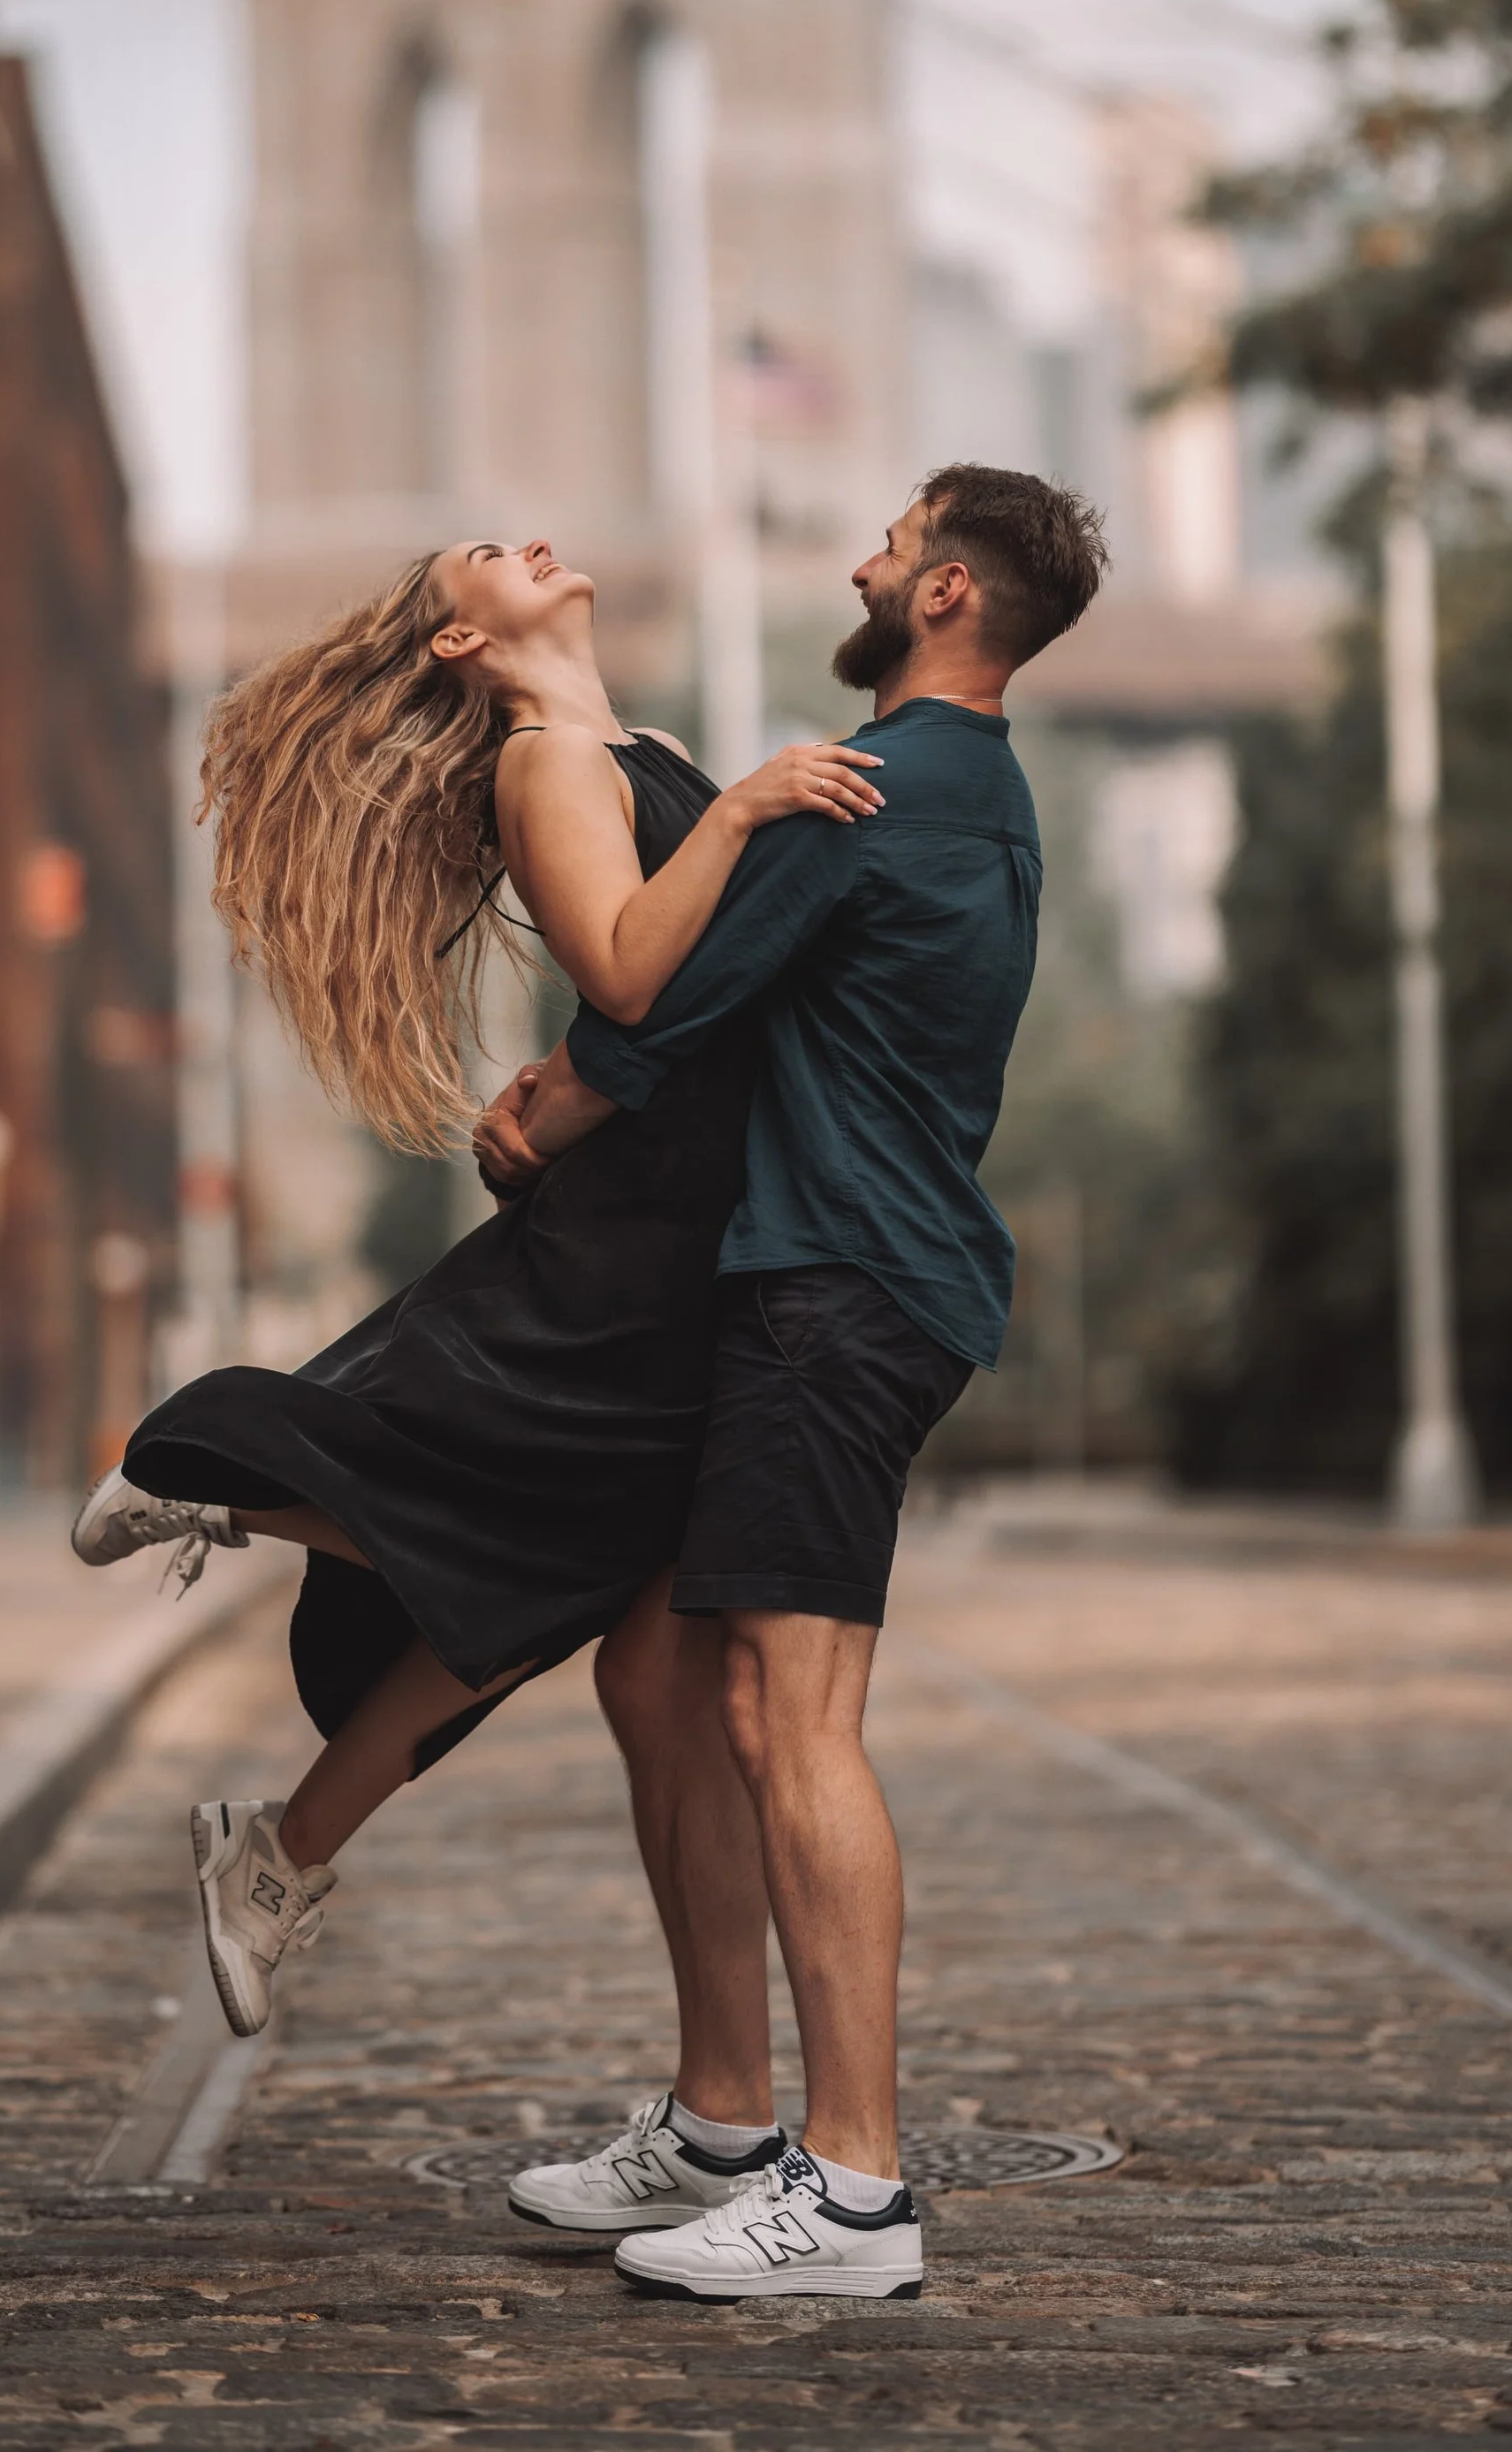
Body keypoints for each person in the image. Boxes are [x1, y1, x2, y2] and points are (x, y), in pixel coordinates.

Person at [70, 534, 884, 2050]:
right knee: (539, 1554)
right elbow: (634, 978)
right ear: (459, 642)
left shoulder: (642, 747)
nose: (536, 544)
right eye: (487, 557)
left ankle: (282, 1852)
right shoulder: (547, 763)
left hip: (709, 1213)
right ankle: (210, 1485)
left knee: (539, 1591)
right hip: (644, 1227)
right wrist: (760, 805)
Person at [477, 463, 1106, 2304]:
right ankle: (723, 2120)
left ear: (944, 597)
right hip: (851, 1274)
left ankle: (849, 2191)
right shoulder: (977, 789)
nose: (862, 552)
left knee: (787, 1717)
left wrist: (535, 1116)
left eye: (898, 537)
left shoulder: (867, 783)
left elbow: (663, 1002)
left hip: (831, 1286)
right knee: (659, 1662)